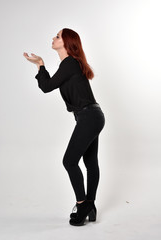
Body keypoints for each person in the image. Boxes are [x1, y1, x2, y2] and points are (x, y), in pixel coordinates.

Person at [23, 28, 105, 226]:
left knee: (69, 161)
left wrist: (41, 65)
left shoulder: (69, 63)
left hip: (88, 117)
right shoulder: (70, 64)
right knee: (90, 161)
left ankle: (82, 203)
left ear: (67, 42)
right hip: (92, 116)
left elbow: (47, 86)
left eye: (57, 36)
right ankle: (91, 205)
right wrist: (41, 66)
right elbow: (50, 85)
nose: (53, 37)